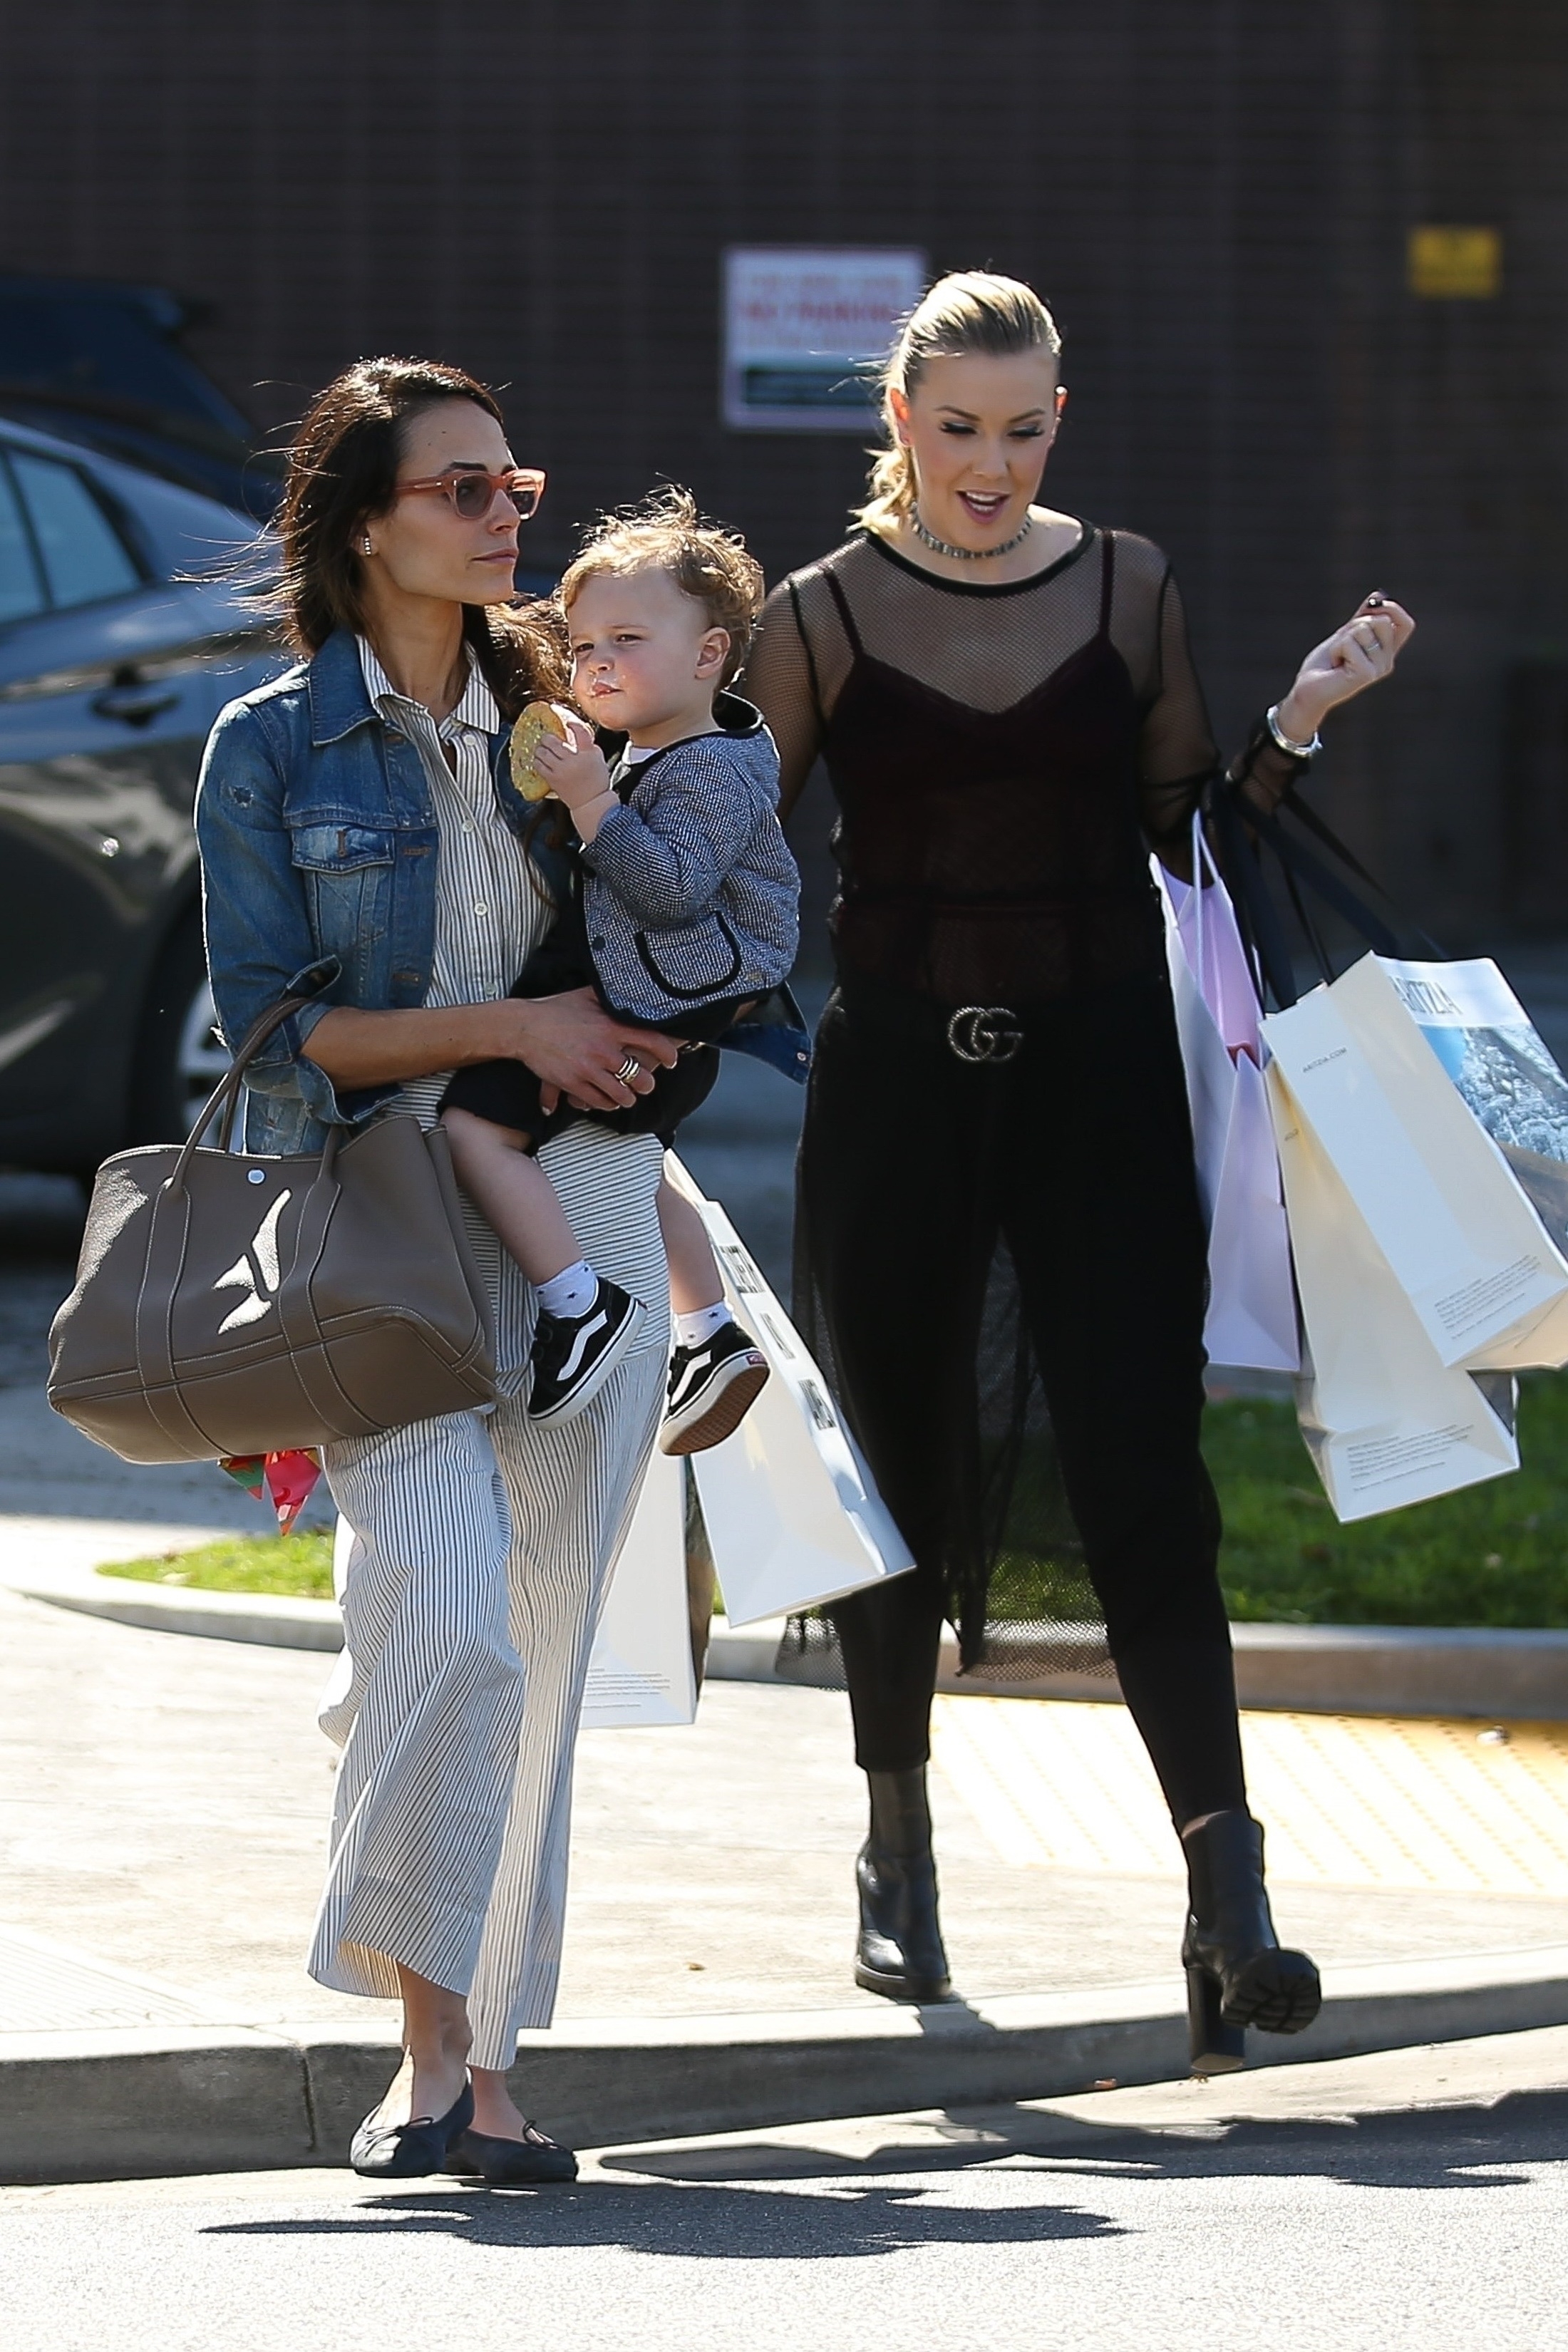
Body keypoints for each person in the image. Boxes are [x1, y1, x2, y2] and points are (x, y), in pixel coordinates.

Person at [744, 271, 1413, 2070]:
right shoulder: (817, 613)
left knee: (1142, 1472)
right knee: (893, 1463)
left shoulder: (1127, 583)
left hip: (1099, 1083)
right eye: (957, 426)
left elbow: (1182, 837)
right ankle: (895, 1847)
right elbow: (733, 848)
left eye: (1023, 428)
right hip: (895, 1090)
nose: (989, 462)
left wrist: (1296, 719)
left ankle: (1226, 1894)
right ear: (899, 419)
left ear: (1060, 420)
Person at [195, 356, 685, 2183]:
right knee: (441, 1620)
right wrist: (516, 1026)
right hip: (382, 1215)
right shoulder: (270, 747)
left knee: (539, 1648)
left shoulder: (566, 710)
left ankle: (472, 2079)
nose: (504, 518)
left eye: (513, 486)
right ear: (363, 527)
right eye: (462, 489)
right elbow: (279, 1026)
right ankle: (426, 2052)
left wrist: (651, 1019)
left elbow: (687, 908)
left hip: (587, 1201)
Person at [439, 490, 799, 1453]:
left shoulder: (712, 765)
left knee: (474, 1130)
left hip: (656, 1001)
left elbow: (670, 889)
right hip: (659, 1004)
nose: (597, 662)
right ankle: (708, 1330)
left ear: (709, 654)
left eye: (628, 640)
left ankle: (577, 1305)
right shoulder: (657, 746)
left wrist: (593, 800)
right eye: (584, 643)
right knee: (644, 1160)